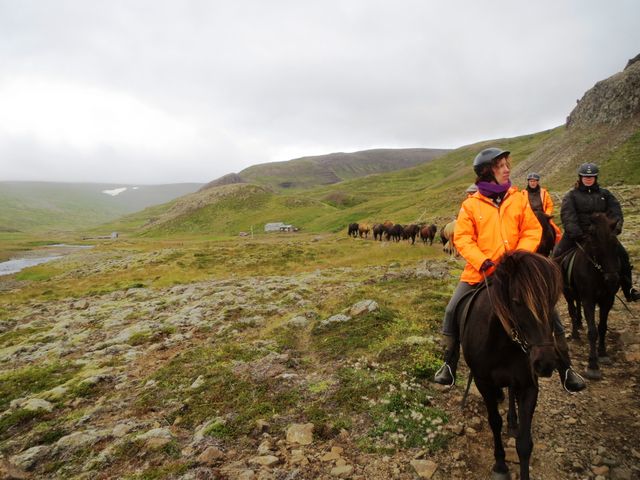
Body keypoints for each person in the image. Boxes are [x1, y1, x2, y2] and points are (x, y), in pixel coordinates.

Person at [434, 147, 586, 392]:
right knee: (452, 309)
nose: (507, 169)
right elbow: (463, 238)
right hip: (481, 271)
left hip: (517, 271)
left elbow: (532, 230)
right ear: (487, 171)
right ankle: (448, 363)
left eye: (507, 164)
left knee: (549, 312)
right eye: (501, 166)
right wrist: (483, 261)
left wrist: (517, 258)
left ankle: (566, 367)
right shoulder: (470, 206)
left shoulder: (518, 199)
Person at [554, 162, 640, 302]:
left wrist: (614, 230)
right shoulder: (571, 196)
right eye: (585, 177)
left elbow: (616, 213)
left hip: (603, 236)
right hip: (578, 235)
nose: (588, 179)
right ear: (580, 177)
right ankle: (556, 288)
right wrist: (577, 234)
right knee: (557, 255)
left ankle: (628, 289)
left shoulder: (605, 194)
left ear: (595, 178)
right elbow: (568, 216)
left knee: (623, 255)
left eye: (591, 177)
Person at [523, 172, 562, 244]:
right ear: (528, 182)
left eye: (534, 181)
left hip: (543, 217)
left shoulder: (544, 192)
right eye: (531, 181)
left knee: (556, 231)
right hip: (529, 218)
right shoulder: (523, 193)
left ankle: (556, 246)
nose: (532, 183)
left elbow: (549, 205)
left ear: (537, 182)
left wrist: (546, 215)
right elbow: (521, 207)